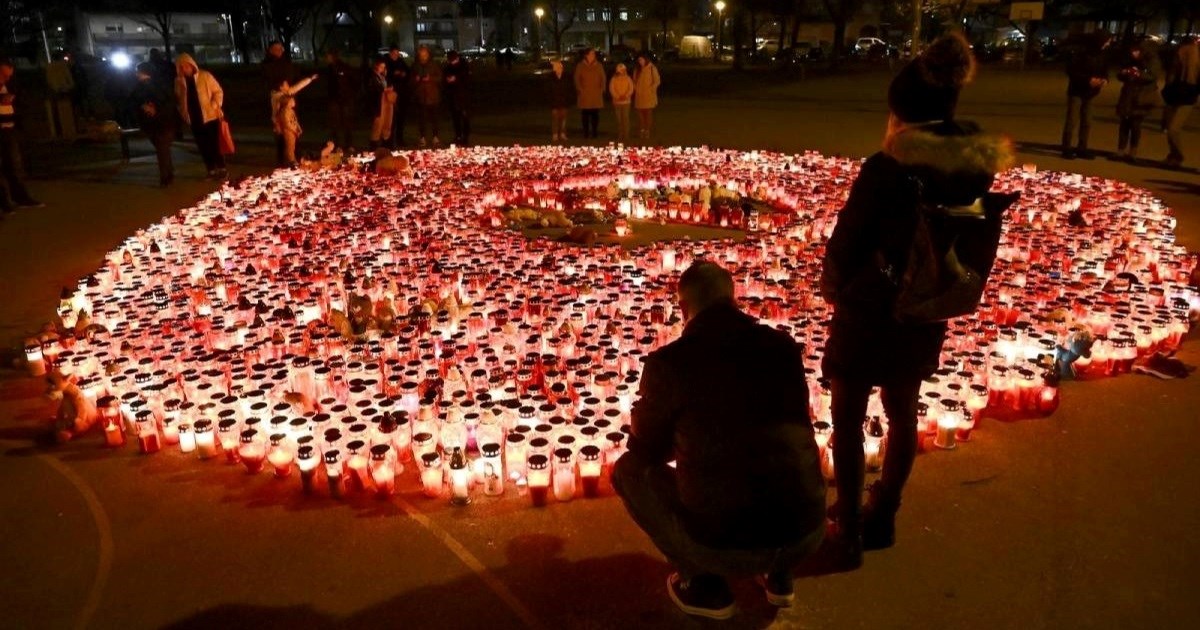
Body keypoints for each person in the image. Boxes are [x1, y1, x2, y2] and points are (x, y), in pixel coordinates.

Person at [820, 33, 1013, 569]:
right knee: (902, 412)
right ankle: (886, 516)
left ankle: (851, 528)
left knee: (848, 418)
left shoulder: (886, 170)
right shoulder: (972, 168)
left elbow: (848, 239)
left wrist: (835, 288)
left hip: (869, 309)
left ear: (901, 114)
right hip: (926, 307)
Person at [612, 261, 826, 620]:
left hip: (725, 544)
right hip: (805, 532)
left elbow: (645, 448)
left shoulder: (672, 362)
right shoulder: (782, 347)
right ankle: (779, 574)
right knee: (775, 458)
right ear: (733, 297)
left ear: (682, 308)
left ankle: (704, 584)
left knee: (628, 472)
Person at [0, 58, 44, 213]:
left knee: (14, 166)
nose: (6, 79)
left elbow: (21, 105)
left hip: (9, 130)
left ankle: (20, 197)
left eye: (8, 76)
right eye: (3, 75)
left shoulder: (11, 86)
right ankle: (5, 202)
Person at [174, 53, 226, 179]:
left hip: (209, 116)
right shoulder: (179, 81)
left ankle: (222, 167)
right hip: (194, 117)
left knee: (214, 143)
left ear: (192, 65)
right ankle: (210, 169)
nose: (184, 69)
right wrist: (183, 111)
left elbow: (218, 91)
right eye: (181, 67)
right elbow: (178, 97)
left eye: (186, 66)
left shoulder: (205, 76)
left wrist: (214, 104)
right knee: (202, 145)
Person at [1060, 32, 1111, 160]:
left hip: (1091, 93)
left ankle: (1082, 148)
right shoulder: (1080, 53)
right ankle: (1066, 148)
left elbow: (1105, 70)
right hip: (1077, 91)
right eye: (1107, 41)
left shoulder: (1103, 54)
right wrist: (1088, 80)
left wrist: (1104, 79)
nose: (1108, 44)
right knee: (1072, 120)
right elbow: (1071, 71)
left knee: (1087, 121)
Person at [1113, 40, 1161, 163]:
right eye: (1132, 51)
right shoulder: (1130, 59)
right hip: (1128, 94)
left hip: (1142, 96)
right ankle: (1120, 151)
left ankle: (1133, 152)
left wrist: (1137, 73)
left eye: (1136, 51)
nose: (1133, 54)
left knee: (1135, 125)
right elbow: (1120, 74)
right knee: (1124, 124)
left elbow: (1152, 76)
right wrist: (1124, 73)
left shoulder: (1152, 60)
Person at [129, 62, 177, 186]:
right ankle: (168, 173)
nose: (136, 73)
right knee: (163, 148)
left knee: (161, 148)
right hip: (163, 120)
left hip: (156, 121)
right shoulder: (160, 84)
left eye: (137, 71)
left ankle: (165, 176)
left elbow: (134, 101)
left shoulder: (142, 87)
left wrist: (149, 108)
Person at [1162, 36, 1199, 169]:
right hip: (1174, 96)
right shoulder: (1176, 60)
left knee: (1173, 129)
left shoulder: (1194, 65)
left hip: (1186, 98)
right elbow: (1169, 78)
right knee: (1170, 129)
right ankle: (1173, 156)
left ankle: (1178, 156)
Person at [272, 73, 317, 167]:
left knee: (291, 144)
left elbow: (297, 87)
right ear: (281, 87)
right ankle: (287, 162)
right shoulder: (278, 97)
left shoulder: (286, 95)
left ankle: (293, 160)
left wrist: (309, 79)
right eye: (286, 84)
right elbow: (277, 112)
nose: (288, 86)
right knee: (286, 143)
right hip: (281, 124)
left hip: (287, 123)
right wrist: (277, 124)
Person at [262, 41, 295, 166]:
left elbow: (291, 75)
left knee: (291, 126)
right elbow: (268, 79)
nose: (279, 51)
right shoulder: (267, 64)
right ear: (270, 50)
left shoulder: (286, 62)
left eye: (281, 48)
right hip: (276, 97)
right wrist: (279, 85)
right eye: (276, 49)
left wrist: (287, 85)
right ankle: (282, 158)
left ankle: (293, 155)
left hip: (288, 96)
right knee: (279, 128)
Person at [323, 49, 357, 151]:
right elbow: (328, 84)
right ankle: (337, 145)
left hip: (345, 98)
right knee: (335, 124)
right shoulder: (329, 69)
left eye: (328, 56)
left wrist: (350, 93)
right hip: (334, 99)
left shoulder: (344, 67)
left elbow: (353, 80)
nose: (326, 59)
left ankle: (349, 144)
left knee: (347, 122)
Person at [411, 46, 443, 148]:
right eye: (421, 55)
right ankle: (422, 138)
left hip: (433, 96)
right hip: (421, 96)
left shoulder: (433, 65)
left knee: (435, 119)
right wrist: (415, 79)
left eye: (425, 55)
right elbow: (410, 79)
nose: (423, 57)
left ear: (428, 55)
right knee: (422, 119)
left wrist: (431, 78)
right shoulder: (416, 66)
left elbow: (440, 77)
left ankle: (435, 137)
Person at [574, 49, 605, 139]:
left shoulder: (599, 65)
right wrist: (580, 89)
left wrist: (602, 89)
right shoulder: (580, 66)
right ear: (586, 55)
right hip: (585, 94)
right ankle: (586, 133)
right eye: (591, 54)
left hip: (596, 94)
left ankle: (595, 132)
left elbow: (603, 77)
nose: (593, 55)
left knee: (595, 114)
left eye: (594, 54)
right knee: (585, 114)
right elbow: (576, 78)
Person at [384, 46, 411, 148]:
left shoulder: (401, 62)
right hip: (391, 94)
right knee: (391, 119)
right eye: (394, 54)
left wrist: (403, 74)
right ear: (390, 53)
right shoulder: (386, 62)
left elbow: (408, 72)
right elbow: (385, 76)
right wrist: (393, 74)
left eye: (397, 54)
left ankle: (400, 138)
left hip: (402, 94)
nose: (396, 56)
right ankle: (389, 140)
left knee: (401, 119)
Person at [46, 52, 77, 139]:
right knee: (68, 110)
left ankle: (58, 131)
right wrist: (70, 86)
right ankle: (69, 128)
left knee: (56, 111)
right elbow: (69, 78)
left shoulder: (49, 66)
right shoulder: (63, 66)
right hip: (65, 90)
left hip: (54, 91)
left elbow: (48, 80)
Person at [366, 59, 395, 150]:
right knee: (378, 124)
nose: (383, 68)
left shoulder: (382, 77)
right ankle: (374, 145)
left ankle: (385, 142)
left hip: (385, 103)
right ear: (376, 66)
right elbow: (373, 89)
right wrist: (383, 90)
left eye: (384, 67)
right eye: (381, 66)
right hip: (378, 104)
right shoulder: (372, 76)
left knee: (386, 123)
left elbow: (384, 86)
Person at [443, 51, 470, 146]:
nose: (452, 63)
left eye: (453, 61)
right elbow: (444, 79)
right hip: (452, 96)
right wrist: (448, 80)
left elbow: (467, 79)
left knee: (465, 118)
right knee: (455, 118)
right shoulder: (448, 67)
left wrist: (456, 79)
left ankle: (465, 137)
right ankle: (458, 136)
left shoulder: (464, 66)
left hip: (463, 96)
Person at [633, 53, 662, 140]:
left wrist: (651, 89)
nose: (640, 62)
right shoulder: (637, 70)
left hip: (649, 96)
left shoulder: (652, 68)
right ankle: (642, 130)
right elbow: (634, 81)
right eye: (639, 60)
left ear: (646, 59)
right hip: (639, 96)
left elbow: (657, 81)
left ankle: (647, 131)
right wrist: (636, 89)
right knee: (640, 115)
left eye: (642, 60)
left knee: (648, 114)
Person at [547, 60, 573, 142]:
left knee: (563, 119)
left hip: (564, 101)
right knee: (555, 119)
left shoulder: (566, 77)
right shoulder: (551, 77)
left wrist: (568, 99)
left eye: (558, 68)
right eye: (556, 68)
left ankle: (562, 134)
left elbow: (569, 90)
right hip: (554, 101)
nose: (557, 69)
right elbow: (549, 90)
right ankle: (555, 134)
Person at [608, 63, 634, 142]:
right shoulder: (614, 79)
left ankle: (626, 134)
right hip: (617, 102)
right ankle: (620, 134)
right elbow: (611, 89)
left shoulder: (628, 78)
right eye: (621, 70)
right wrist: (617, 96)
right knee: (619, 119)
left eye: (623, 70)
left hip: (626, 102)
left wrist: (626, 96)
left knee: (625, 118)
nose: (622, 71)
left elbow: (631, 88)